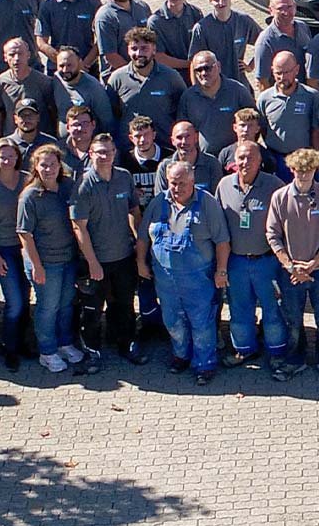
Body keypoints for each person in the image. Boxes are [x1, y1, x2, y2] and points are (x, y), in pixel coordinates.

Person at [148, 158, 228, 381]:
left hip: (198, 279)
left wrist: (221, 271)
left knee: (201, 323)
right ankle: (180, 356)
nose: (177, 188)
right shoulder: (158, 202)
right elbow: (144, 235)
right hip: (165, 279)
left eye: (182, 183)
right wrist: (140, 262)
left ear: (193, 182)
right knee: (172, 320)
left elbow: (222, 241)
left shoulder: (207, 203)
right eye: (173, 183)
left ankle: (204, 364)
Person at [267, 147, 319, 383]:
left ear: (316, 169)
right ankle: (294, 362)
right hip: (291, 274)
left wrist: (313, 263)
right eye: (299, 170)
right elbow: (272, 234)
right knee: (293, 321)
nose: (304, 174)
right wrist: (291, 266)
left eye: (309, 170)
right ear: (291, 169)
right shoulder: (280, 197)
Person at [75, 134, 144, 366]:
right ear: (91, 155)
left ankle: (125, 344)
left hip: (123, 256)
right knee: (92, 310)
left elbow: (133, 210)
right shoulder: (83, 184)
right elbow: (79, 227)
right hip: (95, 261)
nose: (104, 156)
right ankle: (92, 352)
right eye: (99, 152)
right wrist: (92, 262)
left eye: (109, 151)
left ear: (115, 153)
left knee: (124, 305)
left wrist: (138, 244)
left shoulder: (124, 177)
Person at [19, 144, 86, 374]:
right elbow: (25, 235)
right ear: (35, 167)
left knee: (66, 305)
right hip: (45, 262)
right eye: (43, 165)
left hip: (68, 258)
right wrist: (36, 266)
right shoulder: (29, 196)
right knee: (48, 308)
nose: (48, 169)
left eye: (52, 164)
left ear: (60, 166)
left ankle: (65, 343)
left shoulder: (67, 187)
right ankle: (47, 351)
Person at [218, 142, 285, 371]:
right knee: (239, 309)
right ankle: (244, 349)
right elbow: (218, 228)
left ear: (260, 161)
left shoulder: (274, 185)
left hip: (266, 261)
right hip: (236, 261)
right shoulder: (225, 185)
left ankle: (277, 352)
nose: (245, 162)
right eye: (241, 158)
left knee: (272, 309)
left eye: (250, 158)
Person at [0, 139, 32, 368]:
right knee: (15, 302)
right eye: (2, 156)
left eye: (11, 155)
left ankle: (22, 342)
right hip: (4, 249)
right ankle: (10, 348)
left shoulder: (27, 179)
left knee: (26, 296)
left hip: (28, 248)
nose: (7, 160)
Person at [110, 29, 184, 142]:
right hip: (129, 149)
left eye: (144, 48)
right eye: (134, 49)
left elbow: (183, 109)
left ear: (154, 50)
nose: (139, 53)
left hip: (164, 146)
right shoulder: (117, 78)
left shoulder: (171, 77)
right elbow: (111, 114)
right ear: (128, 51)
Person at [178, 49, 254, 151]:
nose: (203, 73)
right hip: (204, 161)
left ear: (218, 66)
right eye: (198, 70)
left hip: (234, 161)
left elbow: (254, 123)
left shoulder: (238, 91)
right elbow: (183, 130)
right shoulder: (188, 97)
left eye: (208, 68)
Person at [256, 49, 319, 159]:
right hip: (275, 158)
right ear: (272, 71)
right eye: (278, 73)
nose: (282, 78)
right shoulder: (264, 99)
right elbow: (262, 127)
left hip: (304, 158)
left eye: (286, 72)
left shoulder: (312, 96)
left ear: (296, 70)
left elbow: (316, 130)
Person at [91, 0, 151, 76]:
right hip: (118, 77)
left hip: (144, 73)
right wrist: (137, 73)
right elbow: (110, 56)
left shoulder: (142, 7)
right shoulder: (105, 16)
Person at [52, 45, 119, 144]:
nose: (65, 70)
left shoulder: (94, 88)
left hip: (88, 146)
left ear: (79, 63)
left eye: (70, 65)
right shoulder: (57, 80)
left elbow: (107, 122)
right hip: (64, 144)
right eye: (61, 66)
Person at [192, 0, 258, 79]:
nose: (221, 2)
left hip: (239, 82)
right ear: (210, 1)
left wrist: (251, 66)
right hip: (214, 83)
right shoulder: (202, 28)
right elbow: (194, 62)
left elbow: (265, 44)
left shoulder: (244, 21)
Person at [0, 38, 60, 135]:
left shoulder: (44, 82)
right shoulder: (0, 82)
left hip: (40, 137)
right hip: (12, 138)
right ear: (5, 57)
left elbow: (53, 112)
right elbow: (0, 114)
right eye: (12, 55)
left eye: (20, 54)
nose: (16, 58)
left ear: (28, 55)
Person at [250, 0, 312, 89]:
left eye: (289, 7)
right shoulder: (265, 42)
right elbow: (262, 82)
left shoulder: (303, 27)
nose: (286, 12)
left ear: (295, 6)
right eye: (280, 8)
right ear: (271, 10)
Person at [149, 0, 206, 78]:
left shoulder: (196, 13)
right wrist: (190, 64)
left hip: (198, 73)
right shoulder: (155, 22)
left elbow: (203, 45)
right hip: (170, 76)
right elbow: (159, 57)